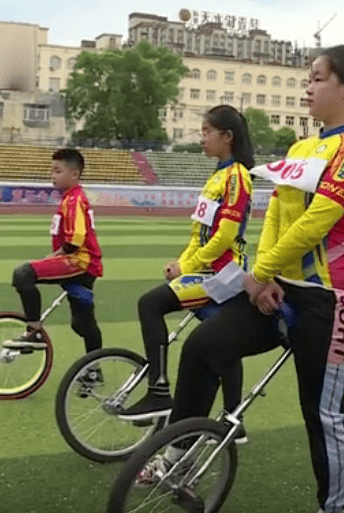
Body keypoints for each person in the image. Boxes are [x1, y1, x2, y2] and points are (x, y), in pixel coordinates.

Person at [154, 45, 344, 513]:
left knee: (322, 415)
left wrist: (258, 274)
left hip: (333, 302)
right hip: (281, 291)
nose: (308, 86)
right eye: (309, 77)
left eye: (317, 78)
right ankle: (177, 456)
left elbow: (315, 223)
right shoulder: (302, 147)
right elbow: (278, 212)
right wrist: (265, 277)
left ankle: (333, 507)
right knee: (203, 346)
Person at [117, 105, 254, 430]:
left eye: (207, 132)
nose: (202, 138)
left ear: (227, 137)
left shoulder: (237, 177)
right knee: (222, 342)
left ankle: (160, 389)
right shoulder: (219, 175)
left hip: (224, 274)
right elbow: (201, 231)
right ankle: (234, 419)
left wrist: (189, 265)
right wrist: (182, 262)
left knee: (151, 304)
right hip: (209, 270)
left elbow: (225, 235)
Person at [4, 149, 103, 355]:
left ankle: (34, 330)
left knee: (23, 274)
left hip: (79, 262)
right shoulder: (70, 199)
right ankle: (94, 368)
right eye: (52, 171)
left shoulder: (75, 200)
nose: (53, 176)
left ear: (74, 175)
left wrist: (56, 255)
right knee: (82, 324)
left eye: (58, 171)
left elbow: (76, 239)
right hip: (85, 266)